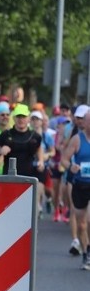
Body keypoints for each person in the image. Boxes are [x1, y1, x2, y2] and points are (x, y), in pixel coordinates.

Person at [59, 104, 90, 269]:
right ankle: (85, 253)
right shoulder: (77, 139)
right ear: (85, 123)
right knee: (82, 224)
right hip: (80, 184)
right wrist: (70, 166)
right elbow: (64, 159)